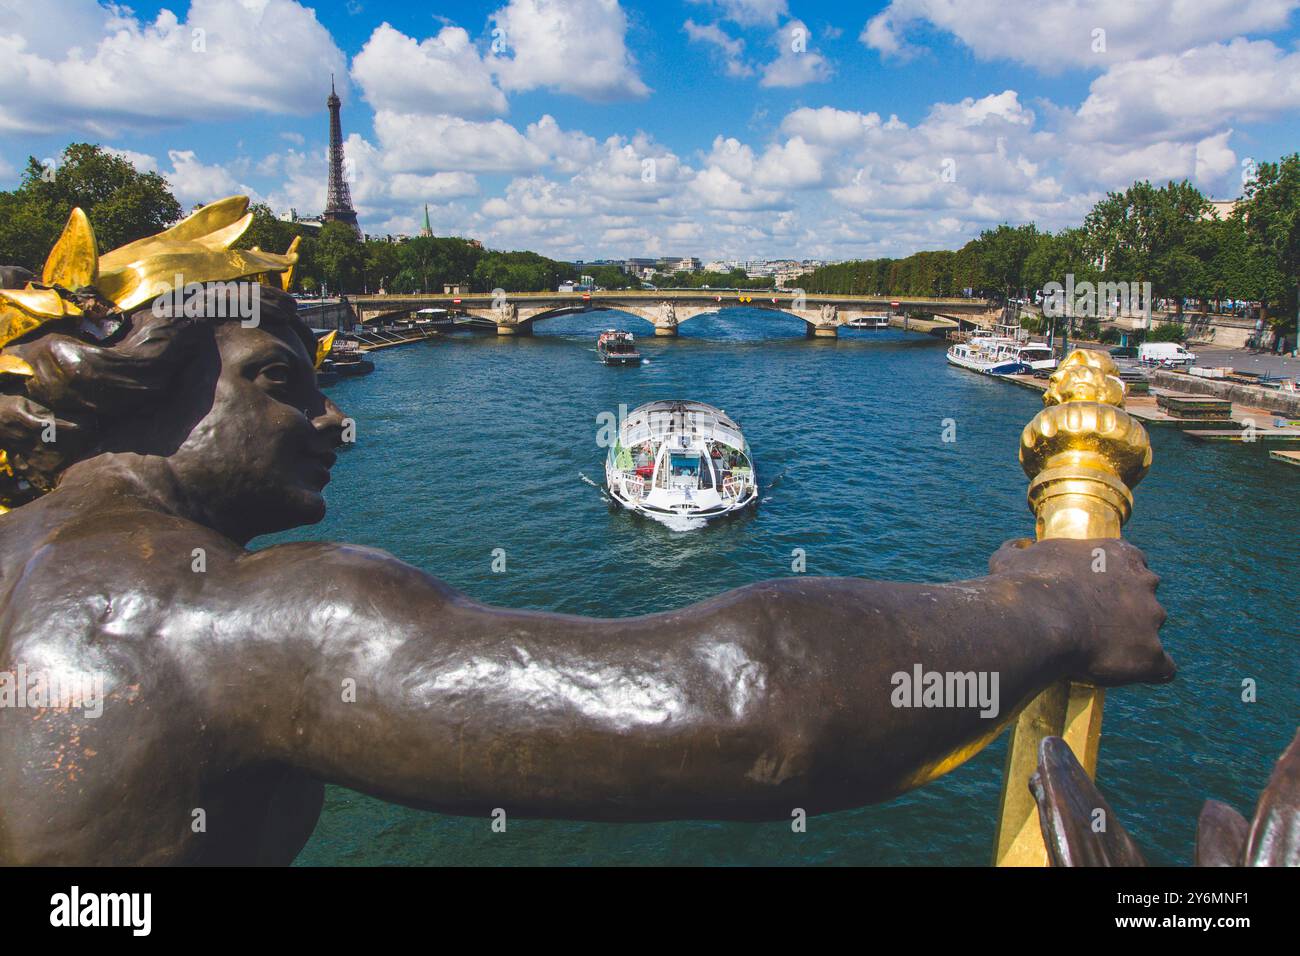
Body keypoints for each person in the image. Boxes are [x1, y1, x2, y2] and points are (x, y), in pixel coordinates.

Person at [0, 200, 1174, 865]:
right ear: (144, 386)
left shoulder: (27, 557)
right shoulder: (226, 616)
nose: (331, 415)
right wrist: (1055, 605)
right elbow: (750, 708)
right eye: (279, 379)